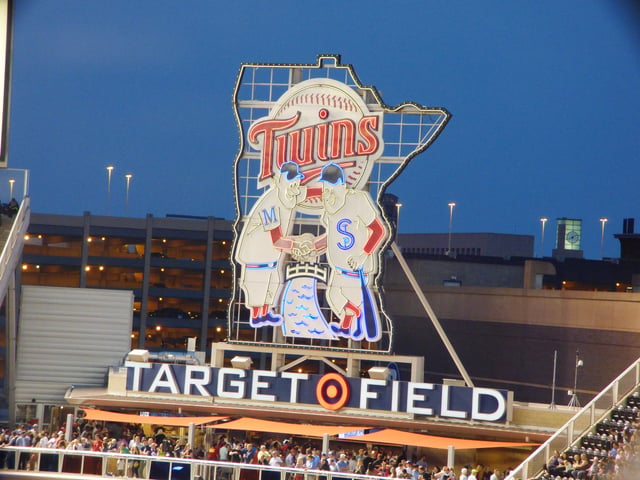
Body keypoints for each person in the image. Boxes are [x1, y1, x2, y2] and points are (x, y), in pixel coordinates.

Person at [313, 162, 387, 342]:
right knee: (333, 296)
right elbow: (332, 236)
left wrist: (363, 254)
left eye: (329, 185)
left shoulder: (357, 199)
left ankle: (353, 321)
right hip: (339, 267)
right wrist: (313, 246)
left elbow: (379, 230)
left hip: (357, 268)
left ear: (340, 183)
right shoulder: (331, 205)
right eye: (325, 185)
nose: (326, 189)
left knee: (345, 298)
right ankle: (349, 325)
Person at [234, 161, 306, 326]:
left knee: (272, 284)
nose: (296, 184)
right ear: (282, 180)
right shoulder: (270, 201)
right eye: (293, 180)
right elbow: (277, 239)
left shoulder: (285, 199)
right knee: (259, 288)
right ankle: (258, 315)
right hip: (256, 259)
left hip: (270, 258)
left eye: (298, 180)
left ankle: (264, 314)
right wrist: (298, 245)